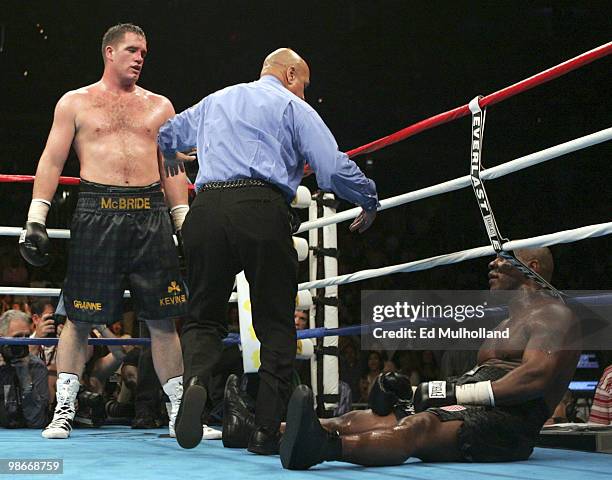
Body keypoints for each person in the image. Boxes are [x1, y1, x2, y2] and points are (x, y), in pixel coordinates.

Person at [158, 47, 379, 452]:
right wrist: (368, 196)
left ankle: (195, 385)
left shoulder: (216, 100)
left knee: (203, 317)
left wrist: (174, 154)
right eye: (306, 86)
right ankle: (264, 429)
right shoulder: (291, 108)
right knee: (275, 321)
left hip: (204, 211)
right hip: (260, 208)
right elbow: (329, 167)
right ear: (291, 74)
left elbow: (168, 132)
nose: (306, 96)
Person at [18, 23, 189, 439]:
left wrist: (183, 221)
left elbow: (174, 167)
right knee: (78, 316)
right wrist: (35, 219)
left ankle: (180, 412)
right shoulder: (75, 102)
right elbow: (51, 161)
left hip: (150, 212)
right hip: (97, 210)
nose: (139, 57)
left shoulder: (161, 107)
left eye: (144, 52)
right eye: (131, 50)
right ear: (109, 52)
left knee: (163, 318)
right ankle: (64, 409)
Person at [280, 247, 582, 469]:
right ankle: (272, 432)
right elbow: (476, 380)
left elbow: (535, 377)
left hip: (511, 422)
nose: (494, 262)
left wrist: (455, 392)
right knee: (375, 417)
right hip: (477, 402)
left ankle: (322, 448)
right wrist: (412, 391)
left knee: (419, 426)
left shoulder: (554, 314)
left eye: (506, 257)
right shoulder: (505, 323)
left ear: (533, 267)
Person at [0, 310, 49, 428]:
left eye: (26, 336)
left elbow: (37, 421)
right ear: (1, 337)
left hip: (26, 435)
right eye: (17, 337)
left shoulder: (37, 366)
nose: (22, 341)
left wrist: (24, 374)